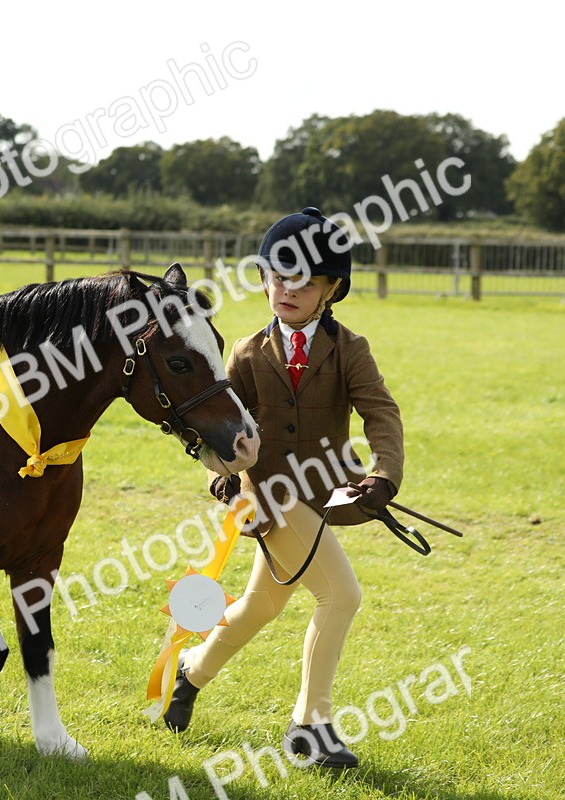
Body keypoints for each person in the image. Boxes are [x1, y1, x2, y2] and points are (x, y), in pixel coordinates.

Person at [162, 208, 404, 769]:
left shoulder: (350, 350)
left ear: (331, 288)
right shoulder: (246, 352)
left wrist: (383, 473)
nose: (286, 289)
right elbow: (218, 431)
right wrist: (221, 480)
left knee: (259, 606)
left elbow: (381, 413)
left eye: (304, 281)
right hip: (269, 499)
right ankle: (310, 727)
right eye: (277, 275)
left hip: (321, 496)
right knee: (341, 596)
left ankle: (190, 672)